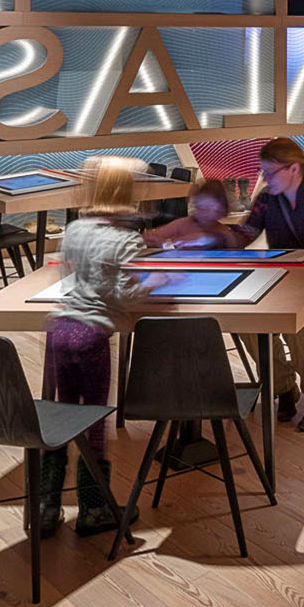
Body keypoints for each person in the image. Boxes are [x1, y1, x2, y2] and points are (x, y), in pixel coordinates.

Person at [39, 157, 152, 534]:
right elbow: (127, 296)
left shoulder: (73, 229)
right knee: (93, 424)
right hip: (92, 336)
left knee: (60, 418)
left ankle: (45, 507)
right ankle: (93, 508)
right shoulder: (127, 240)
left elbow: (67, 277)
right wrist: (160, 280)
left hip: (60, 331)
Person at [227, 138, 304, 429]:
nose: (265, 180)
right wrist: (212, 236)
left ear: (293, 169)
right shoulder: (268, 198)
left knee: (299, 323)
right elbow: (247, 232)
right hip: (281, 281)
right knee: (246, 321)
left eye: (270, 173)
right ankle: (283, 388)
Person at [145, 177, 237, 251]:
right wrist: (167, 242)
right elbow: (147, 238)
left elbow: (236, 250)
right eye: (199, 207)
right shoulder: (183, 224)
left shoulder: (223, 231)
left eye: (210, 208)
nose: (204, 212)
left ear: (222, 210)